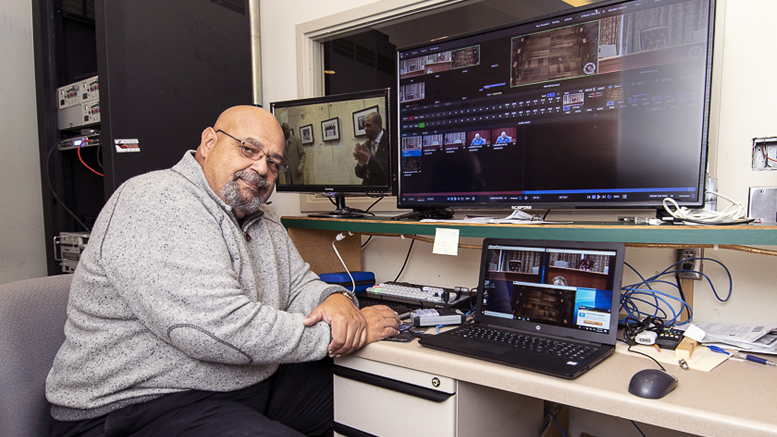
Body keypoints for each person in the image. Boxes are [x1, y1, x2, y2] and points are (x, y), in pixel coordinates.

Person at [45, 106, 401, 437]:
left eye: (274, 162)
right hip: (138, 405)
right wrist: (343, 333)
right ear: (208, 142)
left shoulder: (261, 217)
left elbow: (299, 285)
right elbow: (218, 330)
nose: (263, 169)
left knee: (387, 406)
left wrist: (335, 299)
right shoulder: (157, 200)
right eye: (249, 149)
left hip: (245, 384)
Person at [352, 112, 388, 185]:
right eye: (364, 126)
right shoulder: (366, 145)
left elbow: (388, 171)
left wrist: (369, 159)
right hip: (367, 190)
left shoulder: (390, 141)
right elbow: (359, 174)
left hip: (384, 191)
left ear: (378, 125)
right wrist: (361, 163)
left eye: (368, 125)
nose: (365, 129)